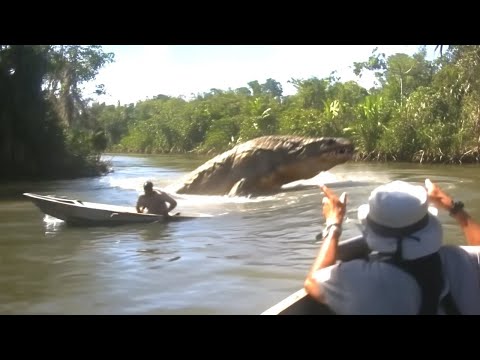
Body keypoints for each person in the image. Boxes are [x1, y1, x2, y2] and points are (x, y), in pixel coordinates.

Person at [304, 178, 480, 315]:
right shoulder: (463, 260)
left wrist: (333, 224)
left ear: (371, 228)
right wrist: (453, 207)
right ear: (426, 224)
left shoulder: (358, 279)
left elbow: (313, 282)